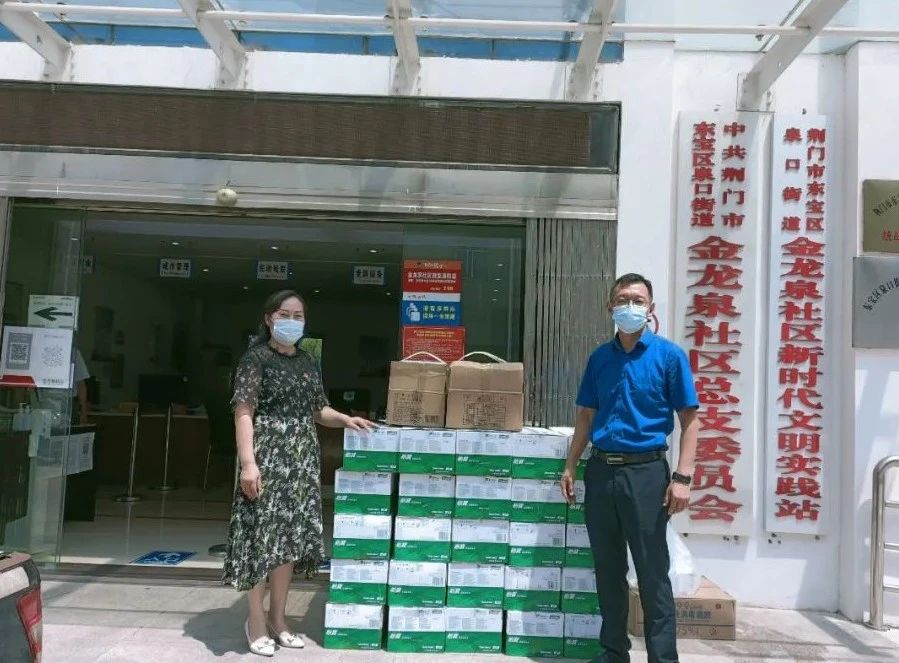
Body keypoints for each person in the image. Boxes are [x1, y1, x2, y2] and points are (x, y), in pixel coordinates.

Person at [223, 289, 373, 657]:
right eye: (284, 314)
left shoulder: (307, 361)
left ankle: (279, 618)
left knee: (288, 540)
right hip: (267, 458)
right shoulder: (255, 359)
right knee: (260, 539)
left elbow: (318, 410)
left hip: (301, 460)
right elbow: (244, 411)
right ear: (269, 319)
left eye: (298, 316)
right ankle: (255, 620)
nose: (292, 321)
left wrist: (345, 419)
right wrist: (248, 463)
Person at [561, 273, 699, 663]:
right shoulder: (599, 359)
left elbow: (690, 420)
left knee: (652, 573)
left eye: (638, 300)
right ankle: (613, 652)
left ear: (650, 309)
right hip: (601, 472)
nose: (630, 306)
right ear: (610, 307)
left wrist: (682, 478)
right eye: (623, 299)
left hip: (647, 475)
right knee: (608, 570)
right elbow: (586, 416)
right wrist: (570, 466)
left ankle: (662, 658)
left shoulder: (669, 357)